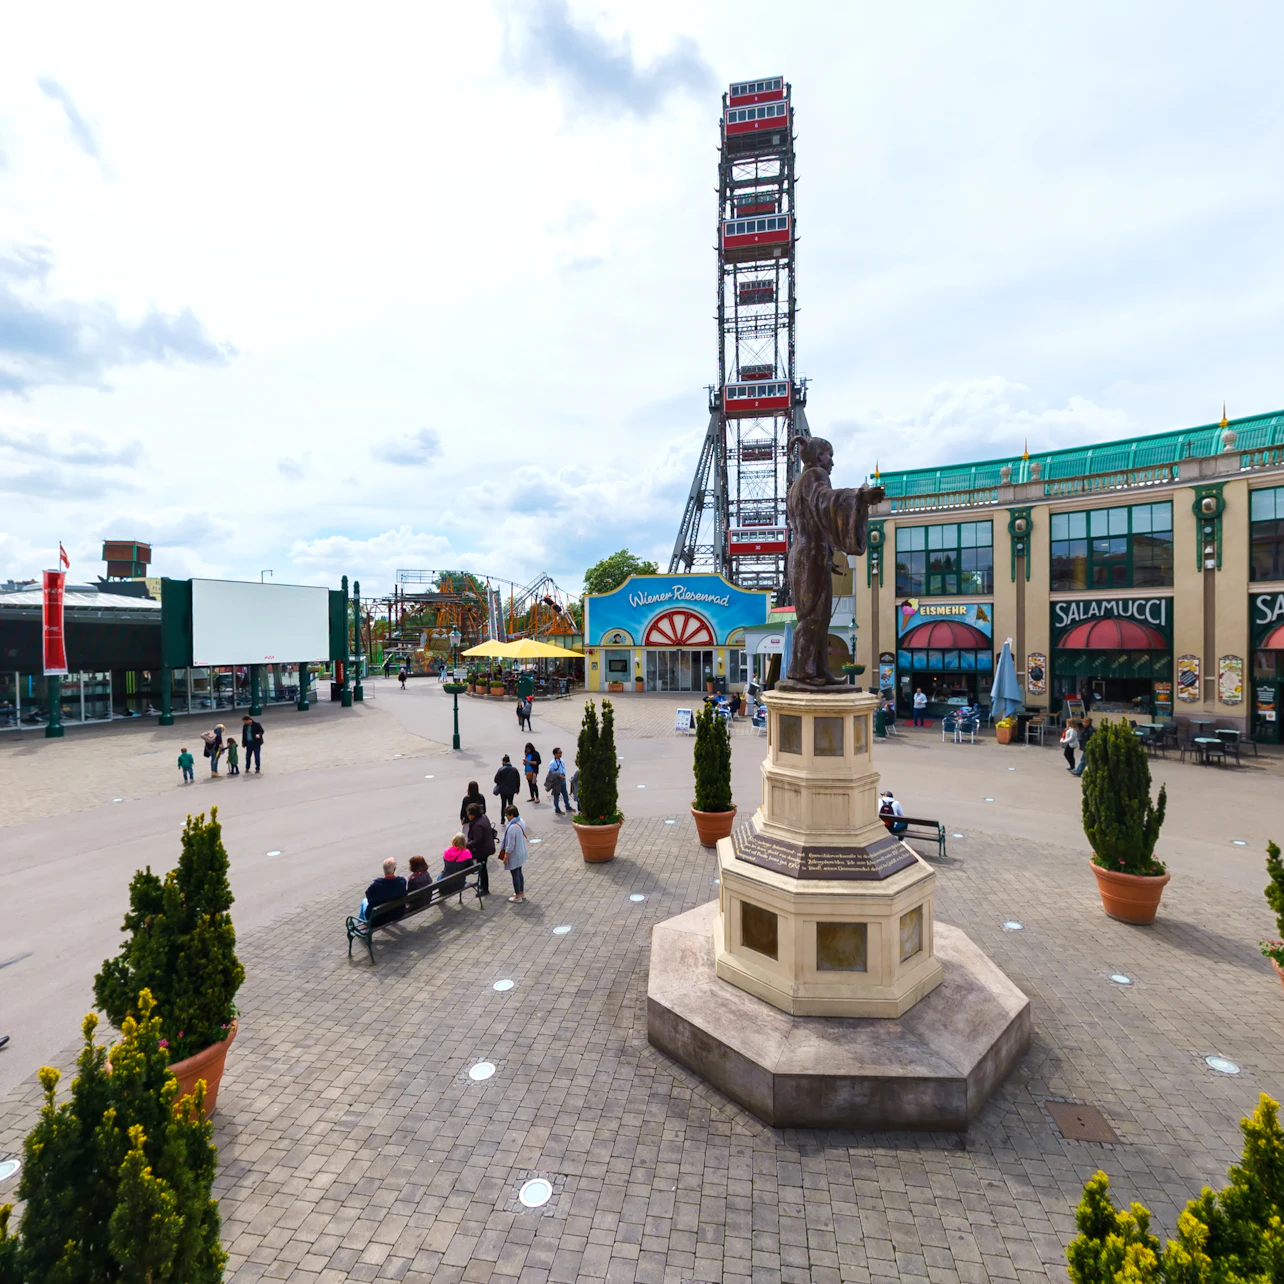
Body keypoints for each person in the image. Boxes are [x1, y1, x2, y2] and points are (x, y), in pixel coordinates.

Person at [499, 804, 530, 903]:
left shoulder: (512, 827)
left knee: (515, 874)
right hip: (521, 851)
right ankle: (521, 892)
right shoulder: (521, 821)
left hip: (515, 854)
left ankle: (518, 896)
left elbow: (510, 845)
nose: (506, 817)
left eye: (507, 815)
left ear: (512, 815)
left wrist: (506, 856)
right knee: (519, 872)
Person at [465, 802, 497, 896]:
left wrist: (466, 845)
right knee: (482, 868)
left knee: (482, 869)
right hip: (487, 847)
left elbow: (477, 840)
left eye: (468, 814)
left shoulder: (478, 825)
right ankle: (483, 885)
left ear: (473, 814)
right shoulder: (483, 817)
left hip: (482, 850)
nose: (468, 816)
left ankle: (485, 888)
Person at [545, 746, 570, 814]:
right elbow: (550, 772)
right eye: (559, 753)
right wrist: (558, 775)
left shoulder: (561, 760)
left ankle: (567, 806)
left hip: (563, 780)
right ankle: (557, 809)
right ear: (555, 754)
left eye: (561, 752)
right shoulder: (552, 763)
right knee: (556, 796)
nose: (561, 754)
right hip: (557, 781)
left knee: (565, 794)